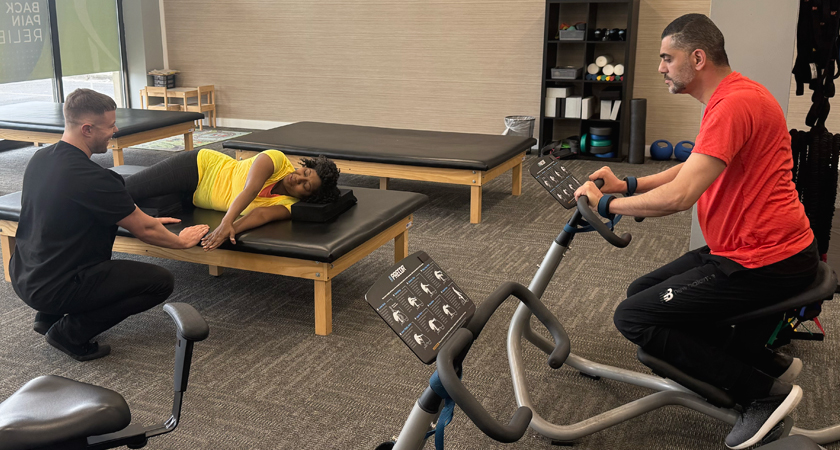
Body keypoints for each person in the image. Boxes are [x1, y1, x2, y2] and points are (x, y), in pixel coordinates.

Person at [574, 14, 819, 450]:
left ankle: (762, 394)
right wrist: (628, 185)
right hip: (747, 249)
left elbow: (680, 196)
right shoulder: (733, 96)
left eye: (668, 58)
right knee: (641, 290)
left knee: (634, 317)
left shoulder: (733, 104)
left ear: (698, 57)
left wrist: (608, 204)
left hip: (767, 260)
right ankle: (760, 358)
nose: (661, 67)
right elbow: (693, 167)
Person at [10, 89, 210, 362]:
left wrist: (140, 216)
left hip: (25, 275)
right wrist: (181, 241)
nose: (115, 131)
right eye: (110, 126)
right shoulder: (96, 179)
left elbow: (66, 213)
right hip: (56, 287)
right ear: (87, 129)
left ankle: (48, 318)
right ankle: (68, 333)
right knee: (160, 282)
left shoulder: (41, 159)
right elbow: (145, 231)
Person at [125, 148, 340, 251]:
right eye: (305, 172)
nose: (298, 178)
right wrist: (226, 222)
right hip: (198, 168)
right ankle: (94, 183)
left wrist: (231, 229)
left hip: (193, 198)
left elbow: (261, 214)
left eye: (306, 185)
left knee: (136, 193)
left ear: (308, 197)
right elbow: (250, 189)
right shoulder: (276, 160)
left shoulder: (288, 204)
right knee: (127, 189)